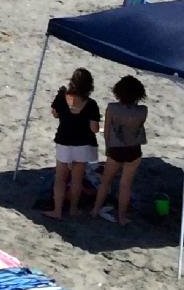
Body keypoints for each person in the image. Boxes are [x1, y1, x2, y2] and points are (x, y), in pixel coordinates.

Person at [91, 75, 148, 224]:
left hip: (116, 149)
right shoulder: (143, 110)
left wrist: (108, 148)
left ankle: (95, 210)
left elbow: (107, 131)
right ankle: (122, 217)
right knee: (125, 185)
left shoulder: (112, 108)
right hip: (134, 149)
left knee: (105, 182)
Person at [46, 68, 101, 219]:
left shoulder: (62, 97)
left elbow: (55, 113)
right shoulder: (91, 104)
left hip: (64, 141)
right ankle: (73, 209)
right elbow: (94, 129)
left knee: (60, 178)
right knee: (77, 179)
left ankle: (57, 211)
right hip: (83, 144)